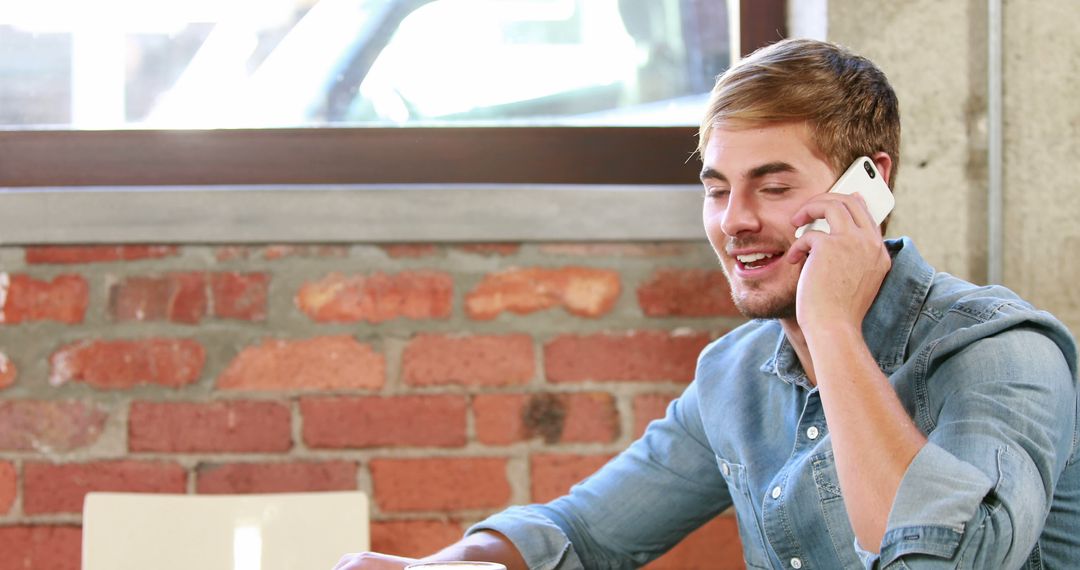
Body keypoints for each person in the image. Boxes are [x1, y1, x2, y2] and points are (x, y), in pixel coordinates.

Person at [335, 38, 1080, 570]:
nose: (734, 220)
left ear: (869, 183)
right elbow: (587, 533)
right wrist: (450, 565)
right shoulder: (738, 375)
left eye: (774, 186)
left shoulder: (1001, 353)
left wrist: (833, 329)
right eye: (718, 189)